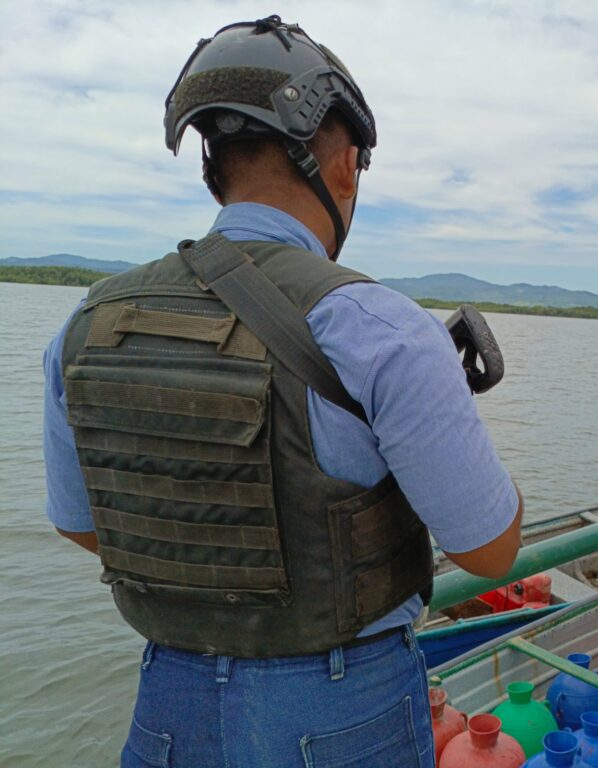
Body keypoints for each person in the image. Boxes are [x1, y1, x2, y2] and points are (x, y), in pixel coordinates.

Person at [42, 16, 522, 768]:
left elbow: (79, 524)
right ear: (344, 167)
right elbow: (491, 551)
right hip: (343, 705)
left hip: (168, 696)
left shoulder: (88, 321)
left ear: (213, 167)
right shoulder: (381, 327)